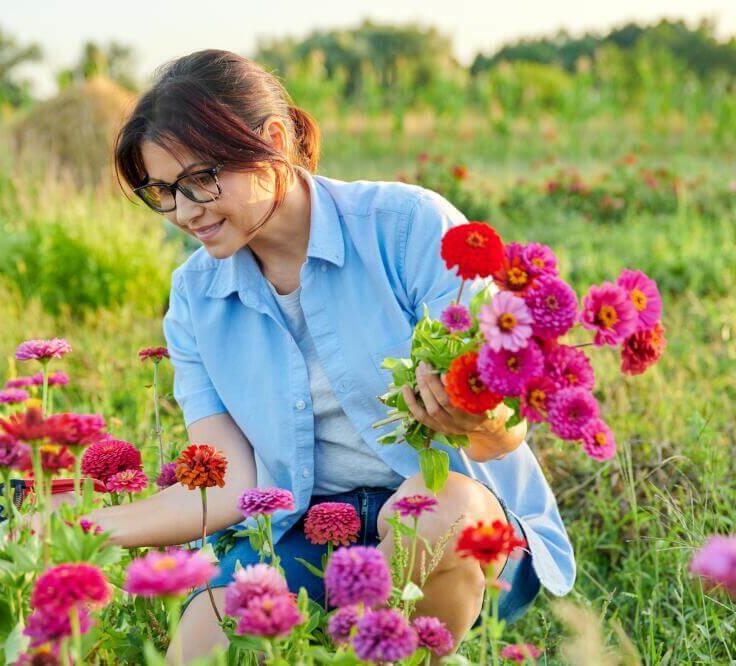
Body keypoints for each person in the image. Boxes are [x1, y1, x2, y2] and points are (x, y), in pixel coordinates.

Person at [68, 48, 575, 663]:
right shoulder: (195, 297)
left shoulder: (408, 228)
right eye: (164, 192)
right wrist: (80, 526)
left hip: (466, 528)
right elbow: (229, 484)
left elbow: (505, 434)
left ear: (272, 141)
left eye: (201, 180)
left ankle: (398, 649)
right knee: (198, 643)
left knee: (438, 510)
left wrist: (475, 417)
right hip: (308, 530)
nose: (185, 211)